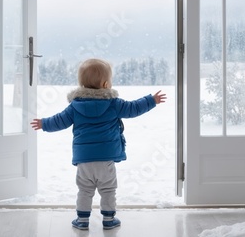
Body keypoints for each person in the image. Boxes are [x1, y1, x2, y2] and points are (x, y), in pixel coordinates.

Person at [31, 58, 167, 231]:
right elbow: (133, 108)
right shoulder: (114, 104)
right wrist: (151, 101)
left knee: (85, 190)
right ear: (105, 84)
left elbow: (59, 121)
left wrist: (44, 124)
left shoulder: (75, 106)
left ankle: (82, 220)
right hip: (106, 158)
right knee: (108, 189)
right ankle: (109, 219)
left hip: (84, 159)